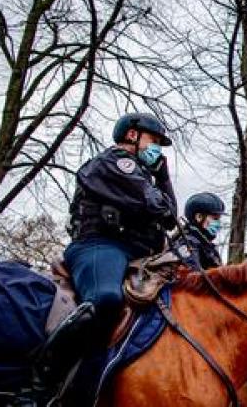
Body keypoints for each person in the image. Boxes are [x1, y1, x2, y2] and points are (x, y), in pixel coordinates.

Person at [31, 113, 177, 397]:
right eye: (154, 140)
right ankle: (39, 382)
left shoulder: (144, 175)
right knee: (105, 299)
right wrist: (158, 187)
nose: (157, 148)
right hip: (100, 246)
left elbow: (170, 217)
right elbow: (156, 205)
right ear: (132, 136)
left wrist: (163, 176)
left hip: (137, 255)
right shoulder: (113, 163)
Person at [177, 192, 225, 270]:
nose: (219, 223)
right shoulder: (188, 243)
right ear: (199, 217)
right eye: (215, 219)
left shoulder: (208, 246)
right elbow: (194, 277)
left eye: (219, 219)